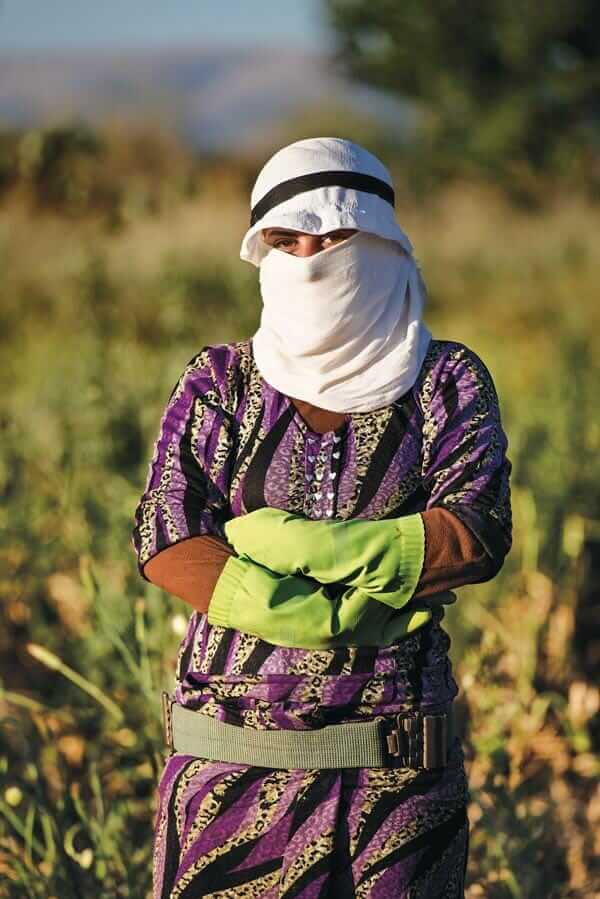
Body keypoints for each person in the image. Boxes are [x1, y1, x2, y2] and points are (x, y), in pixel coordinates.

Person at [132, 137, 512, 898]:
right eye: (284, 239)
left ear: (380, 239)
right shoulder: (220, 381)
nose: (308, 256)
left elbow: (474, 530)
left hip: (397, 772)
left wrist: (277, 542)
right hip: (228, 766)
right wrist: (318, 615)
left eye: (333, 236)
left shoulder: (444, 380)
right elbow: (166, 534)